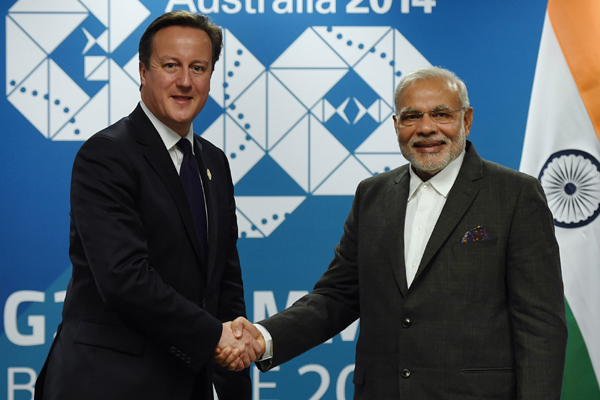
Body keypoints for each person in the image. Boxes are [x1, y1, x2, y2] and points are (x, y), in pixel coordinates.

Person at [219, 66, 568, 399]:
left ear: (467, 120)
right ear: (395, 124)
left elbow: (540, 326)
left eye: (442, 114)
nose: (426, 128)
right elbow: (337, 296)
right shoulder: (372, 194)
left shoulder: (515, 195)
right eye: (412, 116)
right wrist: (263, 337)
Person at [34, 11, 261, 400]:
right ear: (143, 71)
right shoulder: (106, 155)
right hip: (105, 384)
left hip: (187, 384)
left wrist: (235, 378)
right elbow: (124, 279)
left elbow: (223, 283)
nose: (185, 81)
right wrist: (214, 336)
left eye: (199, 68)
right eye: (170, 66)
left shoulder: (215, 163)